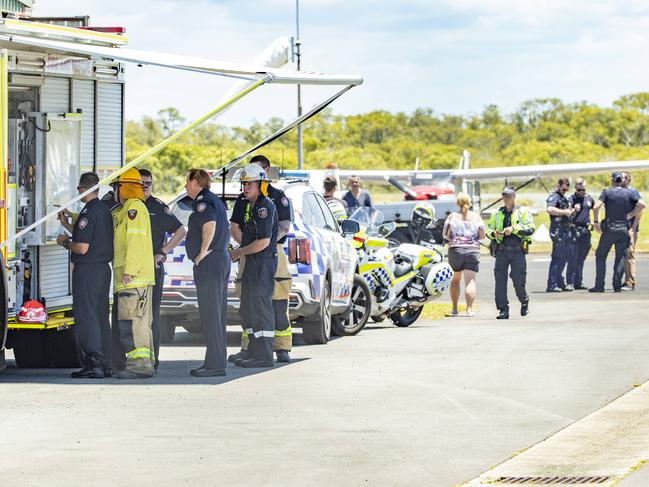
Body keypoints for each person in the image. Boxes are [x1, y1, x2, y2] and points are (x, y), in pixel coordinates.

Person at [229, 155, 293, 364]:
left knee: (264, 306)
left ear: (261, 181)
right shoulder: (250, 203)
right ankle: (254, 351)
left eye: (249, 184)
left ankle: (265, 354)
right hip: (252, 258)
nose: (245, 188)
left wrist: (240, 252)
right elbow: (237, 227)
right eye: (244, 184)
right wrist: (244, 250)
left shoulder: (266, 206)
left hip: (264, 259)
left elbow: (266, 240)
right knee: (248, 305)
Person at [56, 172, 113, 378]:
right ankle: (105, 363)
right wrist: (66, 224)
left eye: (79, 189)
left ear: (83, 189)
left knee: (87, 316)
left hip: (88, 270)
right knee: (99, 316)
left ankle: (94, 363)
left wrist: (64, 241)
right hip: (102, 270)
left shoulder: (88, 213)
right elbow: (89, 236)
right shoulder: (103, 211)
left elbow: (81, 247)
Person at [185, 169, 231, 377]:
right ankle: (217, 360)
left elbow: (209, 225)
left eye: (187, 182)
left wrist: (202, 253)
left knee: (210, 314)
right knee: (217, 314)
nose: (185, 186)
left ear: (195, 182)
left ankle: (214, 365)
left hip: (210, 262)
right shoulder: (214, 200)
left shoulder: (203, 201)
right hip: (219, 260)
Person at [140, 168, 186, 368]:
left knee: (152, 315)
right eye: (140, 184)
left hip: (152, 268)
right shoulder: (124, 206)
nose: (144, 187)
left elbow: (180, 230)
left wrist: (163, 252)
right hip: (130, 270)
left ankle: (153, 359)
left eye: (148, 184)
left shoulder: (157, 207)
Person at [112, 167, 156, 379]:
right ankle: (145, 363)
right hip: (134, 279)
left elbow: (135, 242)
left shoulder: (134, 210)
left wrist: (129, 271)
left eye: (117, 187)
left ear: (125, 188)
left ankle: (139, 365)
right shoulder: (127, 210)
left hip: (133, 279)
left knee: (133, 322)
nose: (115, 192)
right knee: (137, 322)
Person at [590, 172, 645, 293]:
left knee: (600, 255)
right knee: (620, 258)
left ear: (612, 180)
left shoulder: (607, 192)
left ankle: (599, 285)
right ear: (621, 181)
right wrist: (630, 215)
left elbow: (596, 207)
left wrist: (596, 221)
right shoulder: (629, 192)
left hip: (610, 228)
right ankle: (616, 286)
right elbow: (642, 205)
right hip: (623, 229)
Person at [486, 187, 535, 320]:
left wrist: (513, 229)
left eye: (509, 196)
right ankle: (503, 309)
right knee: (500, 280)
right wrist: (493, 233)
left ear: (514, 196)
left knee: (518, 280)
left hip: (517, 251)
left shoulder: (522, 211)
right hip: (501, 251)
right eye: (504, 196)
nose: (506, 198)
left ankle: (524, 300)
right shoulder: (497, 213)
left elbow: (530, 229)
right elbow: (488, 229)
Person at [442, 192, 485, 317]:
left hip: (456, 251)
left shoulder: (452, 216)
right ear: (470, 203)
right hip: (472, 251)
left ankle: (455, 309)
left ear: (457, 203)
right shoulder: (476, 217)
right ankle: (469, 309)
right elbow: (482, 235)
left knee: (455, 280)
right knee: (470, 281)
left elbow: (445, 235)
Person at [546, 178, 574, 292]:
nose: (564, 191)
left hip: (565, 230)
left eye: (566, 190)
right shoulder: (555, 197)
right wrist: (564, 212)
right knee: (557, 258)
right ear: (558, 185)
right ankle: (552, 284)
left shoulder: (563, 197)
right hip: (558, 231)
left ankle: (559, 281)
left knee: (564, 257)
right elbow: (550, 209)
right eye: (563, 189)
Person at [566, 178, 594, 290]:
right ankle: (570, 282)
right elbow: (567, 213)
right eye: (579, 189)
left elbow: (595, 208)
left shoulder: (589, 198)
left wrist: (594, 221)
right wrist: (574, 210)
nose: (581, 192)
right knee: (573, 257)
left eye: (583, 189)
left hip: (586, 231)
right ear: (575, 188)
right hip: (574, 230)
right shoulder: (571, 199)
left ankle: (578, 282)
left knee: (581, 258)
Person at [621, 172, 642, 291]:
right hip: (624, 228)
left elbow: (641, 208)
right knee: (625, 254)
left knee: (629, 255)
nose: (620, 180)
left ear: (628, 180)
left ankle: (630, 282)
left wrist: (633, 226)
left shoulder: (632, 192)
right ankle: (626, 280)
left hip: (630, 229)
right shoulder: (623, 192)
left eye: (622, 178)